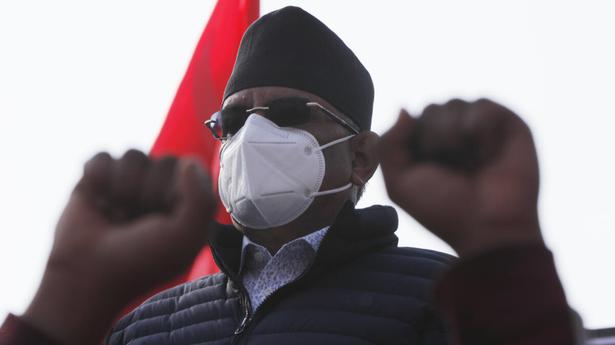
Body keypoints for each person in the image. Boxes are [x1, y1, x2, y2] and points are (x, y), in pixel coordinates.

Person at [0, 5, 576, 345]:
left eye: (287, 115)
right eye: (231, 119)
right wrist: (65, 300)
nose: (251, 136)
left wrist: (504, 262)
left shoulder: (446, 298)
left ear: (361, 158)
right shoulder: (141, 328)